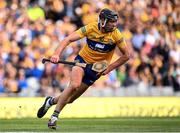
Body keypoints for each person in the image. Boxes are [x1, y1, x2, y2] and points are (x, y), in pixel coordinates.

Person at [37, 8, 130, 130]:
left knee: (69, 100)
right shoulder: (90, 28)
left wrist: (109, 68)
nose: (114, 24)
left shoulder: (116, 35)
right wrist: (56, 54)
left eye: (115, 21)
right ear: (102, 20)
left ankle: (50, 101)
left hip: (96, 70)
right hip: (82, 61)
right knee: (74, 85)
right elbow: (68, 39)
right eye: (111, 21)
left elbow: (126, 55)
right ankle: (54, 117)